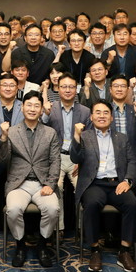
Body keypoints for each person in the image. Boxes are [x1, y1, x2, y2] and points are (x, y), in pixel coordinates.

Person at [71, 101, 136, 272]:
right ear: (91, 117)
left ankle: (124, 251)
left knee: (132, 203)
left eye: (106, 112)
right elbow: (75, 158)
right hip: (94, 183)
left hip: (117, 183)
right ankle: (94, 250)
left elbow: (132, 161)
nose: (102, 116)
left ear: (112, 117)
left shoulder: (121, 138)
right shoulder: (85, 136)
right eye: (98, 112)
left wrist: (127, 180)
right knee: (92, 204)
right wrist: (77, 137)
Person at [0, 91, 61, 267]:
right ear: (22, 107)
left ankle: (42, 244)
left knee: (53, 209)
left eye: (36, 106)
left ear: (41, 110)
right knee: (13, 209)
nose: (32, 109)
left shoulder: (50, 132)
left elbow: (55, 160)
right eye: (29, 105)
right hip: (19, 184)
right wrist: (3, 138)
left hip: (43, 184)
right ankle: (20, 245)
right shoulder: (12, 131)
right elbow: (3, 160)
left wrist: (50, 184)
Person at [42, 73, 91, 232]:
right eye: (64, 87)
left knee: (83, 187)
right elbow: (41, 131)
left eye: (71, 87)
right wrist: (45, 114)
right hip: (56, 157)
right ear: (58, 88)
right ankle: (59, 229)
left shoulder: (85, 111)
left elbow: (90, 140)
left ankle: (81, 229)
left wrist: (82, 161)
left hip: (77, 159)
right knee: (56, 186)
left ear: (76, 89)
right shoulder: (51, 108)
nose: (68, 90)